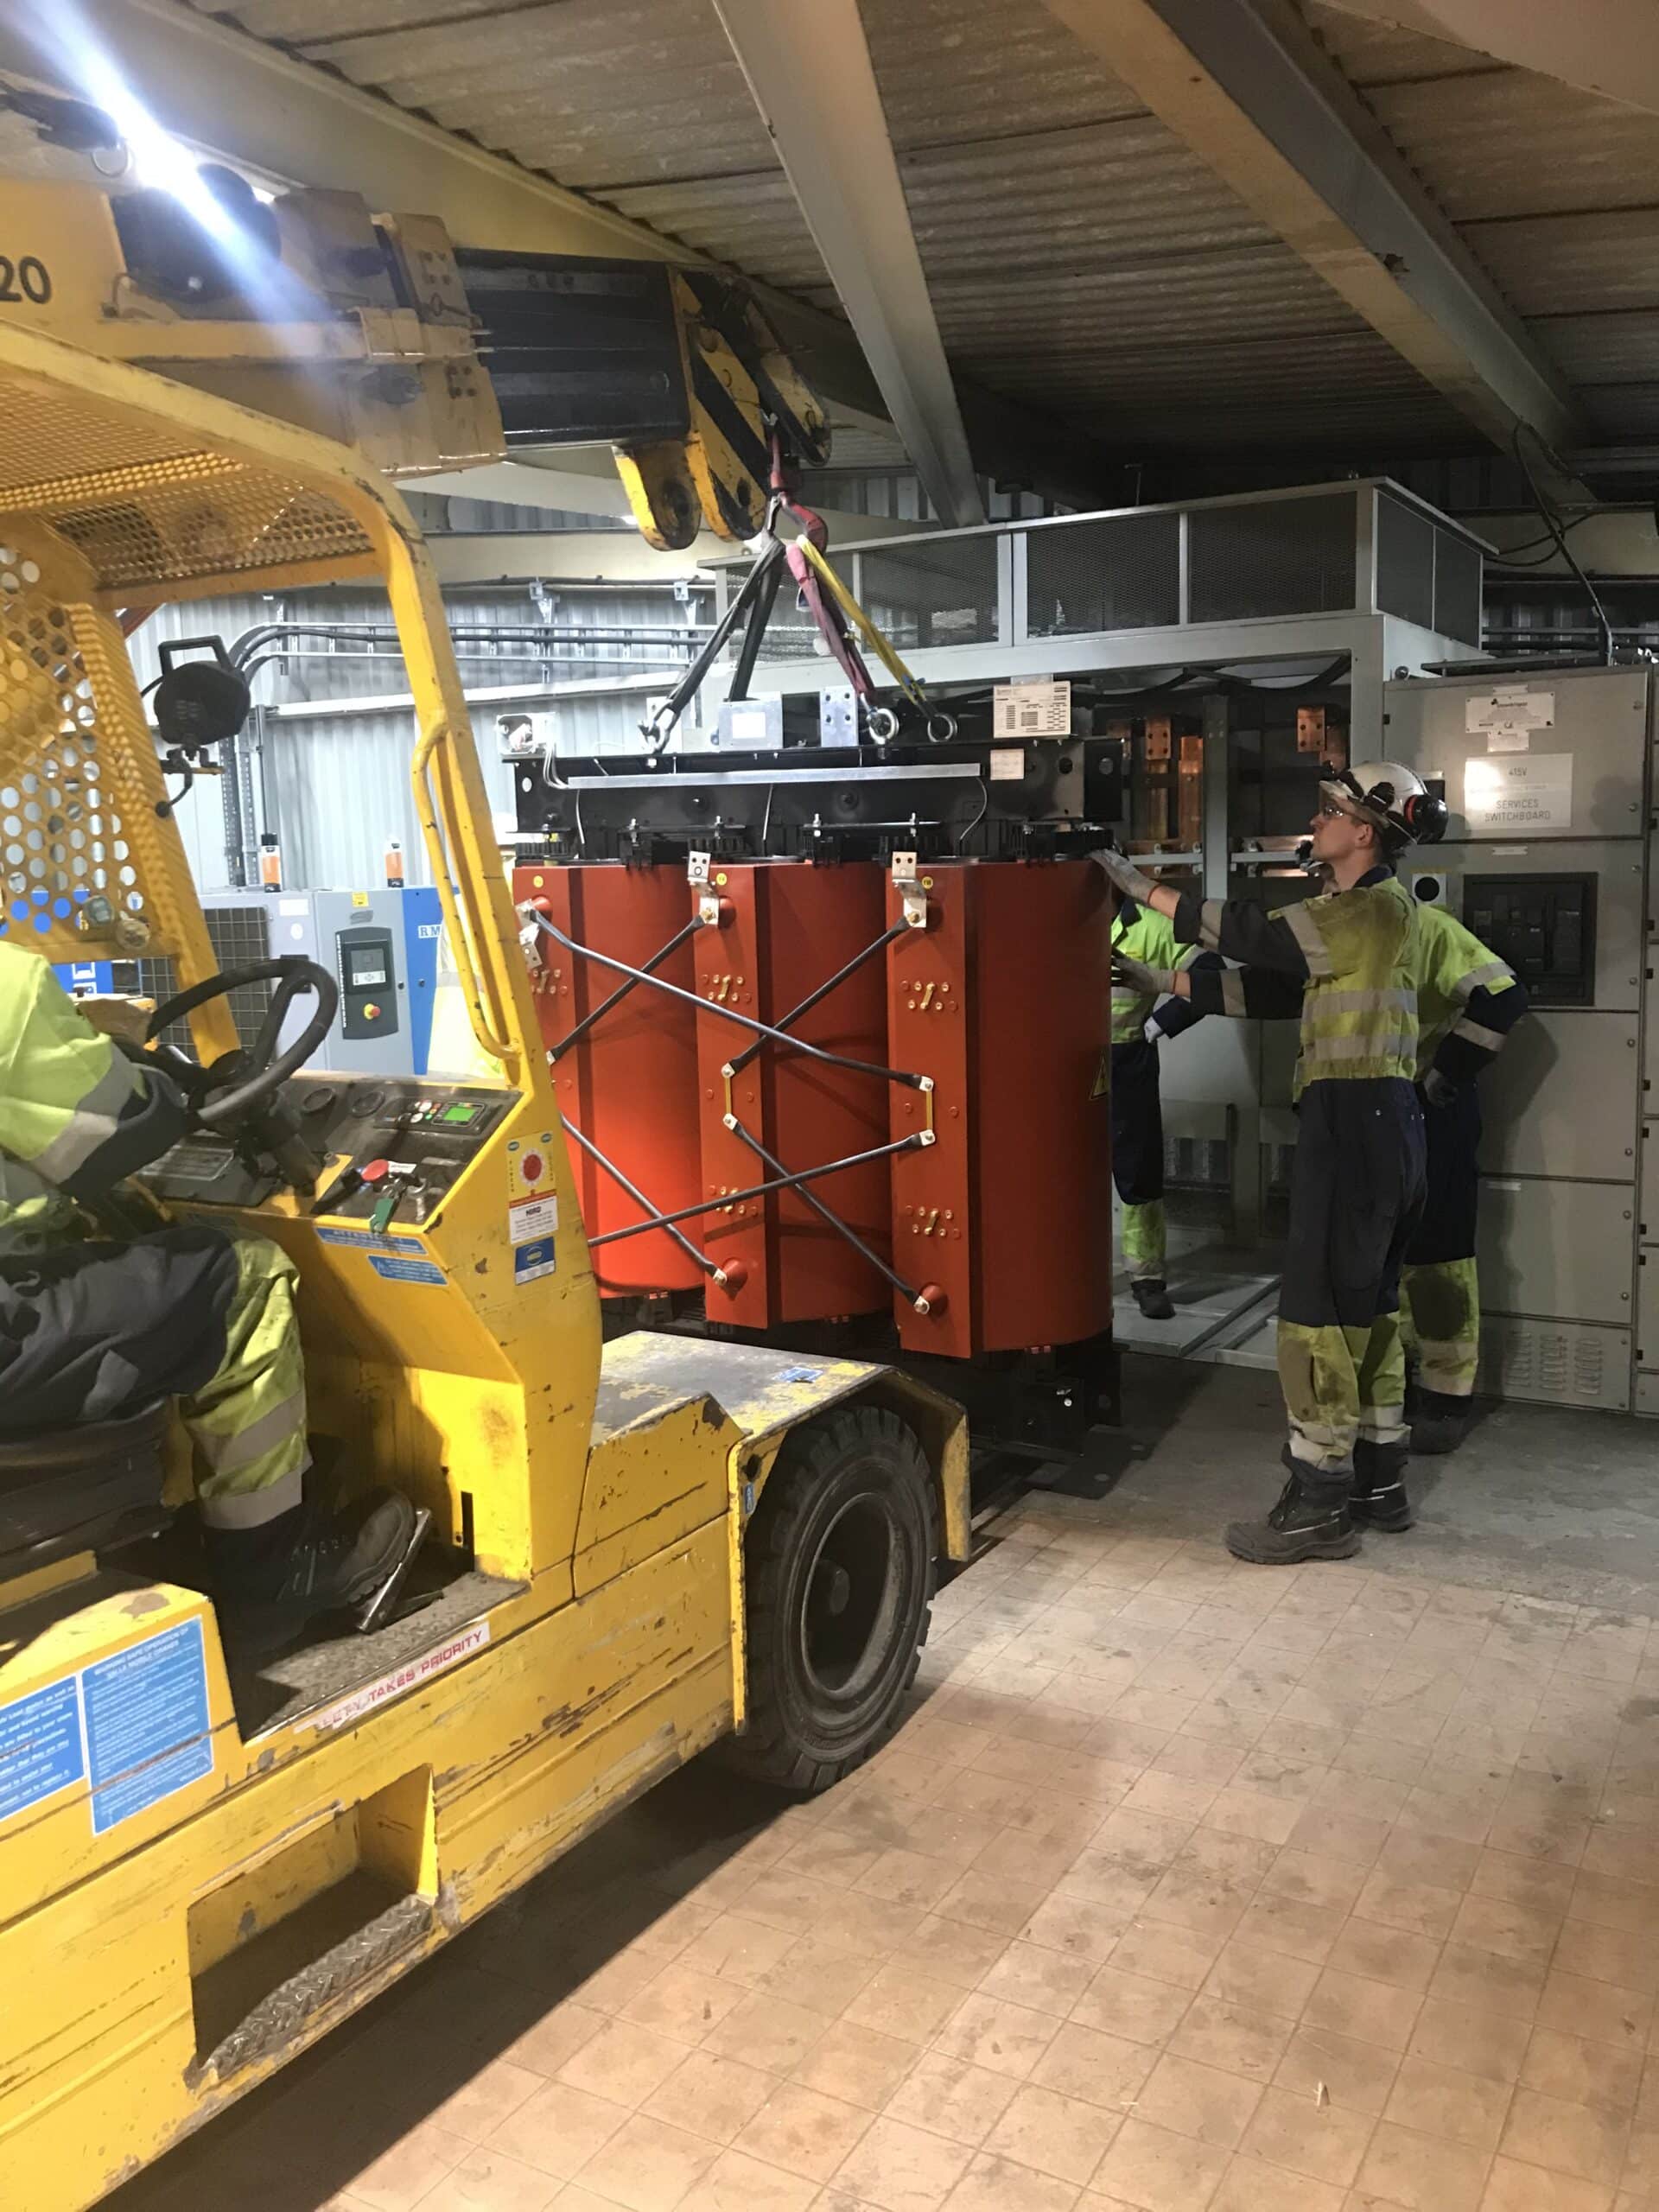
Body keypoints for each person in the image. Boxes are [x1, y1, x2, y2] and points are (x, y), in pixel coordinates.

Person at [0, 941, 416, 1643]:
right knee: (244, 1278)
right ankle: (271, 1564)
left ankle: (174, 1516)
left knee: (128, 1250)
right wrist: (118, 1043)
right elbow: (121, 1129)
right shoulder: (10, 987)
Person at [1099, 760, 1445, 1563]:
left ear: (1366, 832)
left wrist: (1142, 886)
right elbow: (1275, 992)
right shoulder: (1370, 917)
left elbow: (1256, 933)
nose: (1316, 821)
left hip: (1353, 1125)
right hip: (1385, 1126)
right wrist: (1163, 979)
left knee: (1316, 1318)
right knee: (1369, 1312)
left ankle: (1318, 1502)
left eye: (1331, 811)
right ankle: (1378, 1481)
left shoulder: (1365, 909)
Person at [1402, 903, 1527, 1455]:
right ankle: (1400, 1384)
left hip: (1429, 1108)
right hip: (1372, 1113)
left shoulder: (1425, 926)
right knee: (1388, 1255)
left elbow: (1504, 996)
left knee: (1438, 1254)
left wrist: (1446, 1069)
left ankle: (1445, 1397)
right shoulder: (1338, 926)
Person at [1106, 894, 1217, 1320]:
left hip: (1126, 1060)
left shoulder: (1153, 927)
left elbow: (1207, 974)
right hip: (1059, 1064)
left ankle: (1147, 1277)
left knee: (1138, 1171)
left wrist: (1158, 1024)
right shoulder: (1048, 922)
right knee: (1059, 1174)